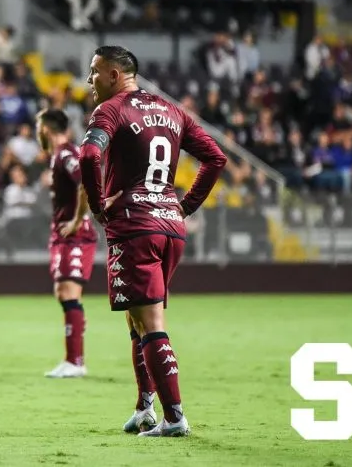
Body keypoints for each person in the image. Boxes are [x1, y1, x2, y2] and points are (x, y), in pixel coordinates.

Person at [78, 46, 227, 438]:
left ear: (113, 75)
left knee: (150, 322)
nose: (89, 80)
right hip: (170, 227)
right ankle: (145, 406)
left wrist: (97, 206)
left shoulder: (111, 110)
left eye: (94, 72)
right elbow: (215, 158)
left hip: (135, 226)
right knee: (137, 318)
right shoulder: (171, 110)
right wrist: (185, 206)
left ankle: (174, 417)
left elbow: (90, 155)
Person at [37, 108, 97, 379]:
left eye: (39, 127)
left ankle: (76, 361)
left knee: (69, 292)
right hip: (63, 234)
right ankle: (72, 358)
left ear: (46, 129)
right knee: (63, 292)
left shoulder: (65, 154)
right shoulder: (57, 156)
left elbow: (86, 182)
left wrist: (76, 221)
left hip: (75, 235)